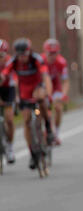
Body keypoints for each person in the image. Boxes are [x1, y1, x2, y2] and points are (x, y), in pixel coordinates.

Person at [0, 38, 53, 170]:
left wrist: (48, 93)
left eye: (24, 54)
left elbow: (46, 76)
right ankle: (32, 152)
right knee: (27, 121)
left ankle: (48, 127)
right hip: (24, 92)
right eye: (19, 54)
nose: (22, 57)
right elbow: (4, 74)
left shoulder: (36, 60)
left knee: (42, 103)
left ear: (29, 51)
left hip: (37, 88)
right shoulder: (14, 62)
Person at [41, 39, 69, 146]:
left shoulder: (61, 62)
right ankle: (39, 128)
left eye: (55, 53)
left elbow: (65, 81)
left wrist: (63, 95)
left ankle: (56, 133)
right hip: (42, 85)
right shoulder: (40, 60)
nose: (53, 56)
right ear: (45, 52)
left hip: (56, 86)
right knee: (41, 107)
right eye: (50, 53)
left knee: (58, 107)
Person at [0, 39, 16, 164]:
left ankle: (10, 146)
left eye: (1, 56)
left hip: (9, 89)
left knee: (9, 119)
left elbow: (16, 79)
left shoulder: (11, 62)